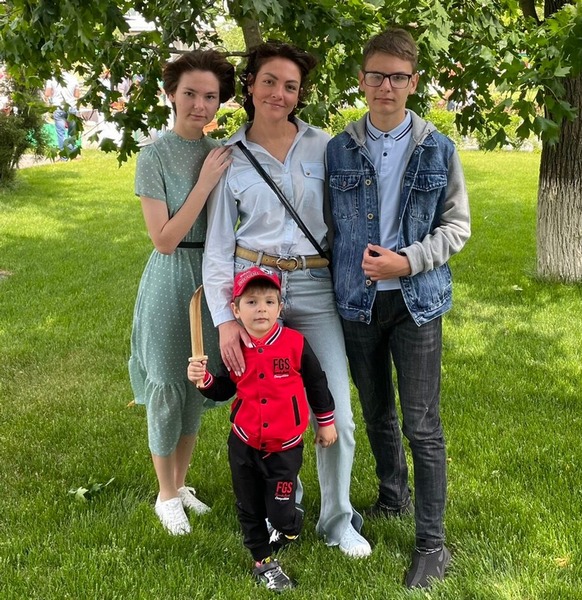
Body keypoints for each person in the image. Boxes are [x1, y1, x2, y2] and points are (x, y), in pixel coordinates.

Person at [203, 41, 371, 558]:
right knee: (268, 405)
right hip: (255, 293)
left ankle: (337, 521)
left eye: (291, 86)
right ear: (250, 85)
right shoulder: (228, 157)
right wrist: (225, 320)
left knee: (336, 412)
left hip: (315, 286)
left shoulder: (326, 147)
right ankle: (282, 506)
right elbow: (218, 246)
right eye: (270, 81)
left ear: (300, 94)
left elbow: (348, 219)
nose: (279, 93)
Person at [326, 28, 471, 589]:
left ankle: (432, 544)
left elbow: (456, 227)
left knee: (422, 424)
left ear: (414, 82)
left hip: (417, 302)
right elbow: (329, 227)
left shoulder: (438, 148)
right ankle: (393, 496)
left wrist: (406, 262)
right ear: (362, 81)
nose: (386, 86)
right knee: (376, 413)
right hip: (357, 303)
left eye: (398, 77)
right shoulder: (338, 148)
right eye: (376, 75)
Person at [128, 49, 235, 536]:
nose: (200, 105)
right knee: (169, 384)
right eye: (190, 93)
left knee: (197, 382)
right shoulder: (153, 155)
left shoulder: (220, 151)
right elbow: (164, 239)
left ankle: (181, 482)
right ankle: (165, 494)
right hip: (171, 276)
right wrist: (205, 182)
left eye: (210, 96)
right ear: (171, 93)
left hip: (211, 277)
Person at [188, 267, 337, 592]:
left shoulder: (295, 344)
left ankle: (289, 525)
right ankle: (263, 562)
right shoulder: (235, 349)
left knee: (281, 514)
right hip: (243, 444)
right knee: (249, 507)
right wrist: (205, 380)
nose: (261, 309)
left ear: (280, 308)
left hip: (284, 449)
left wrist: (326, 422)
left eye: (269, 302)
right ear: (236, 309)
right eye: (252, 302)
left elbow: (316, 383)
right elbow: (224, 388)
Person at [44, 71, 80, 157]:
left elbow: (47, 93)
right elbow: (77, 95)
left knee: (61, 133)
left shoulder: (51, 79)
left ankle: (64, 155)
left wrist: (53, 95)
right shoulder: (73, 78)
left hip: (58, 107)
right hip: (72, 107)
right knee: (72, 132)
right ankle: (73, 153)